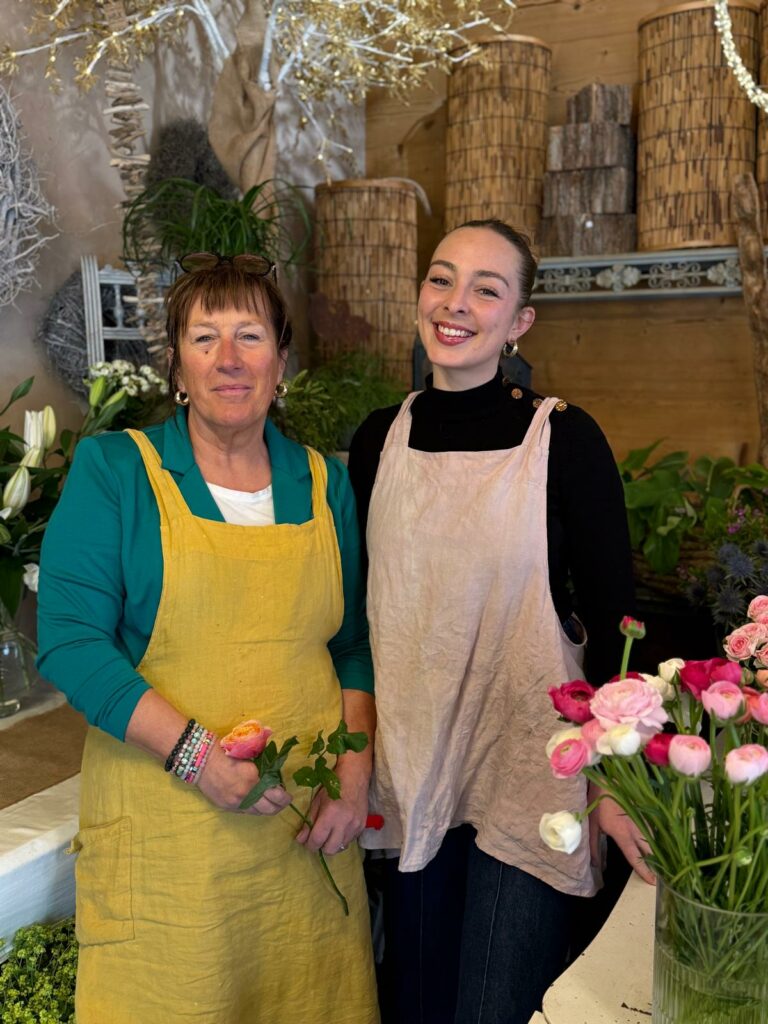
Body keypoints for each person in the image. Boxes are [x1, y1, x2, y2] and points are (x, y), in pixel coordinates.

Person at [37, 253, 379, 1024]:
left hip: (306, 837)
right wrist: (196, 755)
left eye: (251, 336)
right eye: (205, 338)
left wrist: (354, 773)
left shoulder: (326, 484)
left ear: (281, 362)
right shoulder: (116, 471)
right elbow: (69, 643)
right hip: (170, 845)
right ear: (176, 366)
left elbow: (352, 643)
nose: (229, 360)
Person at [347, 220, 640, 1024]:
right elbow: (361, 613)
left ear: (518, 322)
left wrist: (619, 787)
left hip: (530, 777)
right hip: (414, 769)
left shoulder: (564, 440)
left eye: (487, 288)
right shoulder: (379, 440)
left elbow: (620, 629)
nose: (456, 304)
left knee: (494, 1007)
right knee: (414, 1000)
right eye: (441, 280)